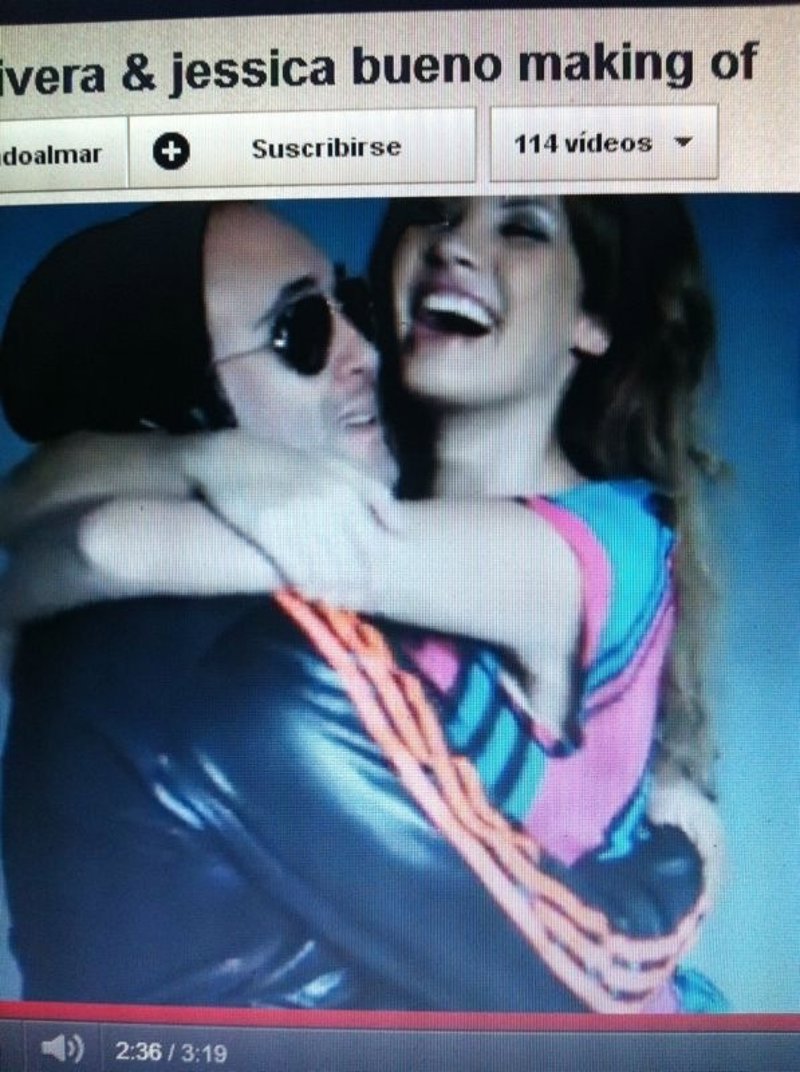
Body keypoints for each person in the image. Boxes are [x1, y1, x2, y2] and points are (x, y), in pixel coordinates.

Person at [0, 201, 716, 1011]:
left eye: (352, 307)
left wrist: (681, 850)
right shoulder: (263, 632)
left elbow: (107, 543)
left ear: (594, 319)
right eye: (301, 332)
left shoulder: (599, 539)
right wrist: (203, 458)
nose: (362, 351)